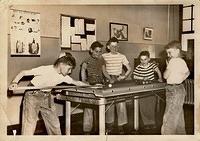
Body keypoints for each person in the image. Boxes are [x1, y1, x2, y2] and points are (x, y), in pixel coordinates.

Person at [8, 56, 88, 135]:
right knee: (29, 124)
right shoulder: (45, 69)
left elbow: (76, 82)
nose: (70, 72)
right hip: (33, 95)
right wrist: (14, 82)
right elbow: (23, 72)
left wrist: (89, 85)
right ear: (61, 64)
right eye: (69, 69)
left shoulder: (63, 77)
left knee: (54, 124)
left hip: (47, 97)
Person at [102, 37, 131, 134]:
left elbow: (129, 68)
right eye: (113, 46)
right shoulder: (104, 56)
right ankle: (109, 125)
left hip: (118, 80)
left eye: (116, 46)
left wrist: (124, 76)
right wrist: (108, 78)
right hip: (108, 80)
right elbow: (102, 69)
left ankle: (121, 125)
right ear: (108, 47)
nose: (115, 48)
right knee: (109, 102)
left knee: (121, 102)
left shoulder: (122, 56)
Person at [161, 40, 190, 135]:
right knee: (178, 118)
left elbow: (165, 76)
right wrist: (181, 79)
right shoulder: (182, 61)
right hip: (180, 89)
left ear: (177, 51)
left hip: (173, 90)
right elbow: (187, 73)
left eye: (170, 52)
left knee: (168, 119)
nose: (168, 55)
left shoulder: (173, 61)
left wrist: (167, 66)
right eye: (167, 53)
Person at [132, 51, 163, 129]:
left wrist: (160, 78)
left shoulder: (152, 65)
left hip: (151, 88)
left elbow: (158, 71)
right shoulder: (138, 67)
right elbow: (134, 76)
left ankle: (152, 122)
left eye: (145, 59)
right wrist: (142, 78)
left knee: (151, 105)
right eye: (141, 59)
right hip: (142, 88)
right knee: (143, 106)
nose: (143, 61)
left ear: (149, 59)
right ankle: (146, 123)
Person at [81, 41, 105, 134]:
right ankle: (87, 129)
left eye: (100, 51)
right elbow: (83, 70)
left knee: (100, 106)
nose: (98, 54)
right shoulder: (87, 59)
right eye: (96, 51)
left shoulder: (101, 60)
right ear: (91, 50)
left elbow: (104, 72)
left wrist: (110, 79)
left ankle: (99, 128)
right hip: (90, 85)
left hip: (100, 85)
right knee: (88, 107)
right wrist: (83, 82)